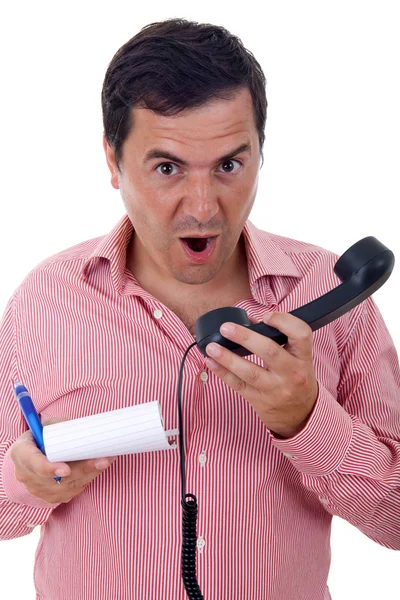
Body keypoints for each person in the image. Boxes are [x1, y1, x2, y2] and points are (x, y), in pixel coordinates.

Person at [0, 17, 399, 600]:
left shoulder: (326, 288)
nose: (204, 207)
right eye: (167, 169)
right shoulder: (46, 299)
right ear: (112, 162)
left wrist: (308, 419)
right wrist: (27, 480)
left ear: (262, 153)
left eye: (230, 166)